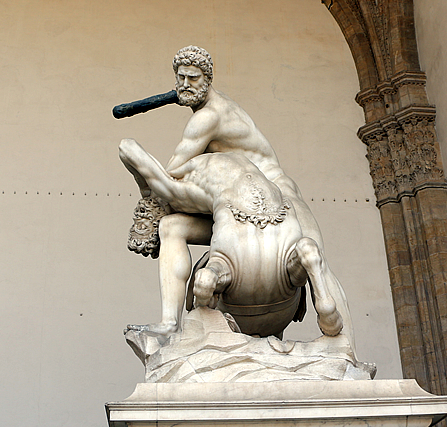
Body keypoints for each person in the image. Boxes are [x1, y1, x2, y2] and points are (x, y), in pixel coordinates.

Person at [121, 46, 355, 346]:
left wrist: (147, 186)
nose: (184, 86)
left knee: (318, 261)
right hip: (236, 201)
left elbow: (174, 172)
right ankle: (169, 323)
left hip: (279, 194)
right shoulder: (210, 113)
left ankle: (345, 343)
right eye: (180, 78)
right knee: (171, 228)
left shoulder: (208, 117)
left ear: (208, 78)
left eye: (193, 78)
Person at [120, 140, 343, 339]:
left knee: (169, 227)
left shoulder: (175, 189)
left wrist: (152, 188)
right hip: (281, 234)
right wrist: (145, 182)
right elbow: (129, 149)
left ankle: (170, 323)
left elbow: (126, 147)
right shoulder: (222, 164)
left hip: (240, 253)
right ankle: (319, 287)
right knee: (174, 225)